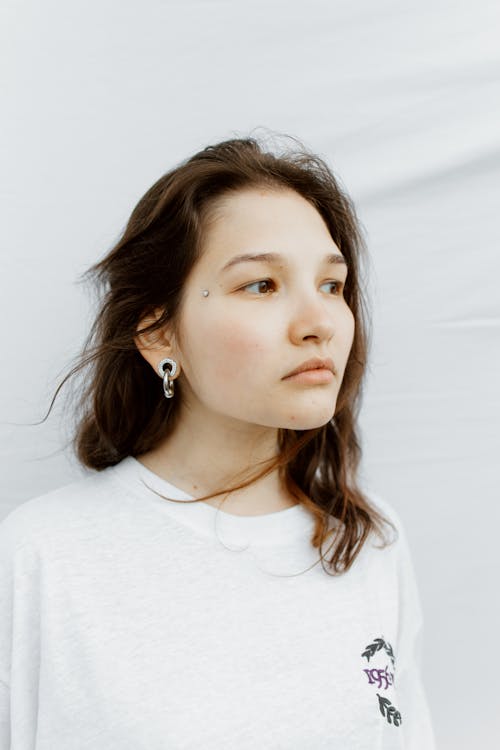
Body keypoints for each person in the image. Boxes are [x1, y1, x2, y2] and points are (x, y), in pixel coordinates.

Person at [0, 134, 436, 749]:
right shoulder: (44, 556)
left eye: (332, 286)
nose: (319, 323)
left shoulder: (368, 540)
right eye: (261, 285)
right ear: (159, 335)